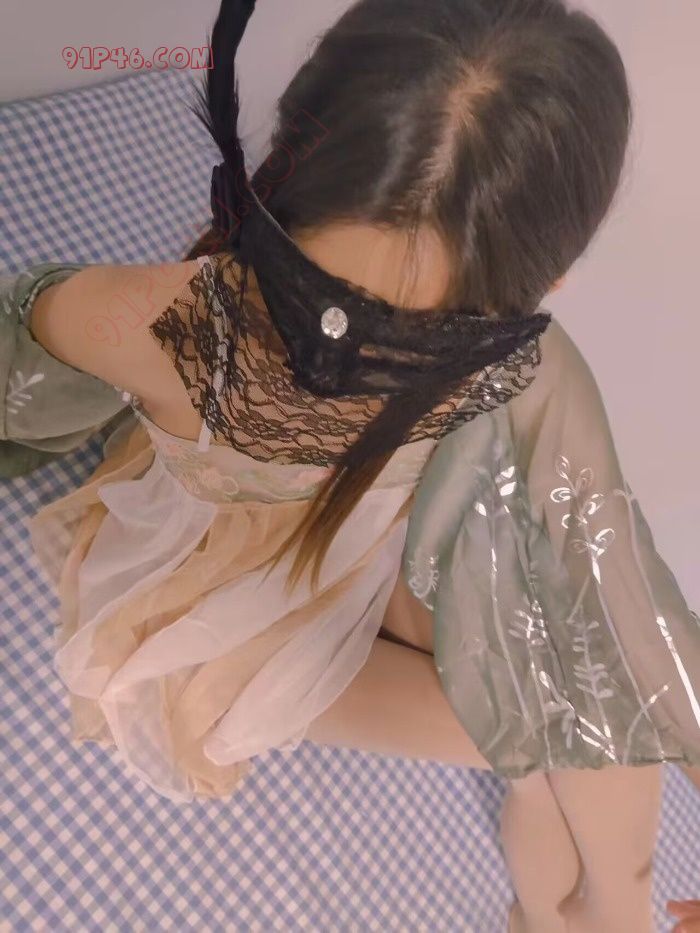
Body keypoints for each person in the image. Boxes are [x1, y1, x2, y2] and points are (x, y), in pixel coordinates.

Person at [5, 1, 698, 931]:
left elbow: (614, 578)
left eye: (418, 343)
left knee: (586, 697)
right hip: (226, 595)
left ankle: (592, 906)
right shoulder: (181, 329)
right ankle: (582, 903)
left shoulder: (526, 371)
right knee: (553, 740)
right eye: (311, 301)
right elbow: (25, 349)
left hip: (365, 538)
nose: (340, 362)